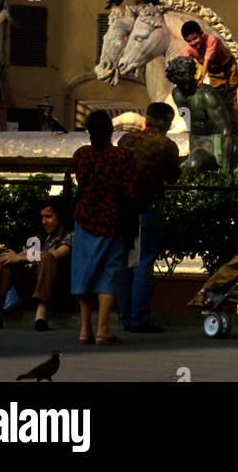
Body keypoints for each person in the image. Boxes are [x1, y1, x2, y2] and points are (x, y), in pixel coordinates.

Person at [71, 109, 139, 346]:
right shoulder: (122, 157)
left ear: (89, 132)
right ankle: (103, 330)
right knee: (108, 274)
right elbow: (132, 192)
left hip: (84, 220)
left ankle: (84, 329)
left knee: (84, 272)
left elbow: (81, 182)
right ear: (111, 131)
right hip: (113, 221)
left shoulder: (81, 156)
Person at [116, 102, 181, 333]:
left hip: (123, 206)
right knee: (143, 262)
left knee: (126, 262)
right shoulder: (166, 145)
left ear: (147, 120)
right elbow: (174, 176)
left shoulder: (126, 141)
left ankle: (125, 317)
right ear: (169, 123)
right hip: (148, 204)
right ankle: (139, 319)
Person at [0, 201, 73, 332]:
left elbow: (56, 254)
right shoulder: (43, 237)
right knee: (8, 259)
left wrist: (24, 257)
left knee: (47, 257)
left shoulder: (71, 236)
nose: (44, 221)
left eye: (48, 216)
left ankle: (41, 313)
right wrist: (18, 257)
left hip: (57, 294)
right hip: (33, 292)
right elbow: (23, 253)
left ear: (60, 217)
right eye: (42, 217)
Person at [180, 20, 238, 127]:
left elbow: (207, 61)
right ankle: (220, 126)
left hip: (228, 67)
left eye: (195, 38)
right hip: (214, 72)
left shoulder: (212, 41)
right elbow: (184, 64)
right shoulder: (189, 50)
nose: (193, 43)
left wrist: (200, 80)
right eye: (189, 41)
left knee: (230, 98)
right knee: (217, 98)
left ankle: (234, 129)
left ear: (201, 34)